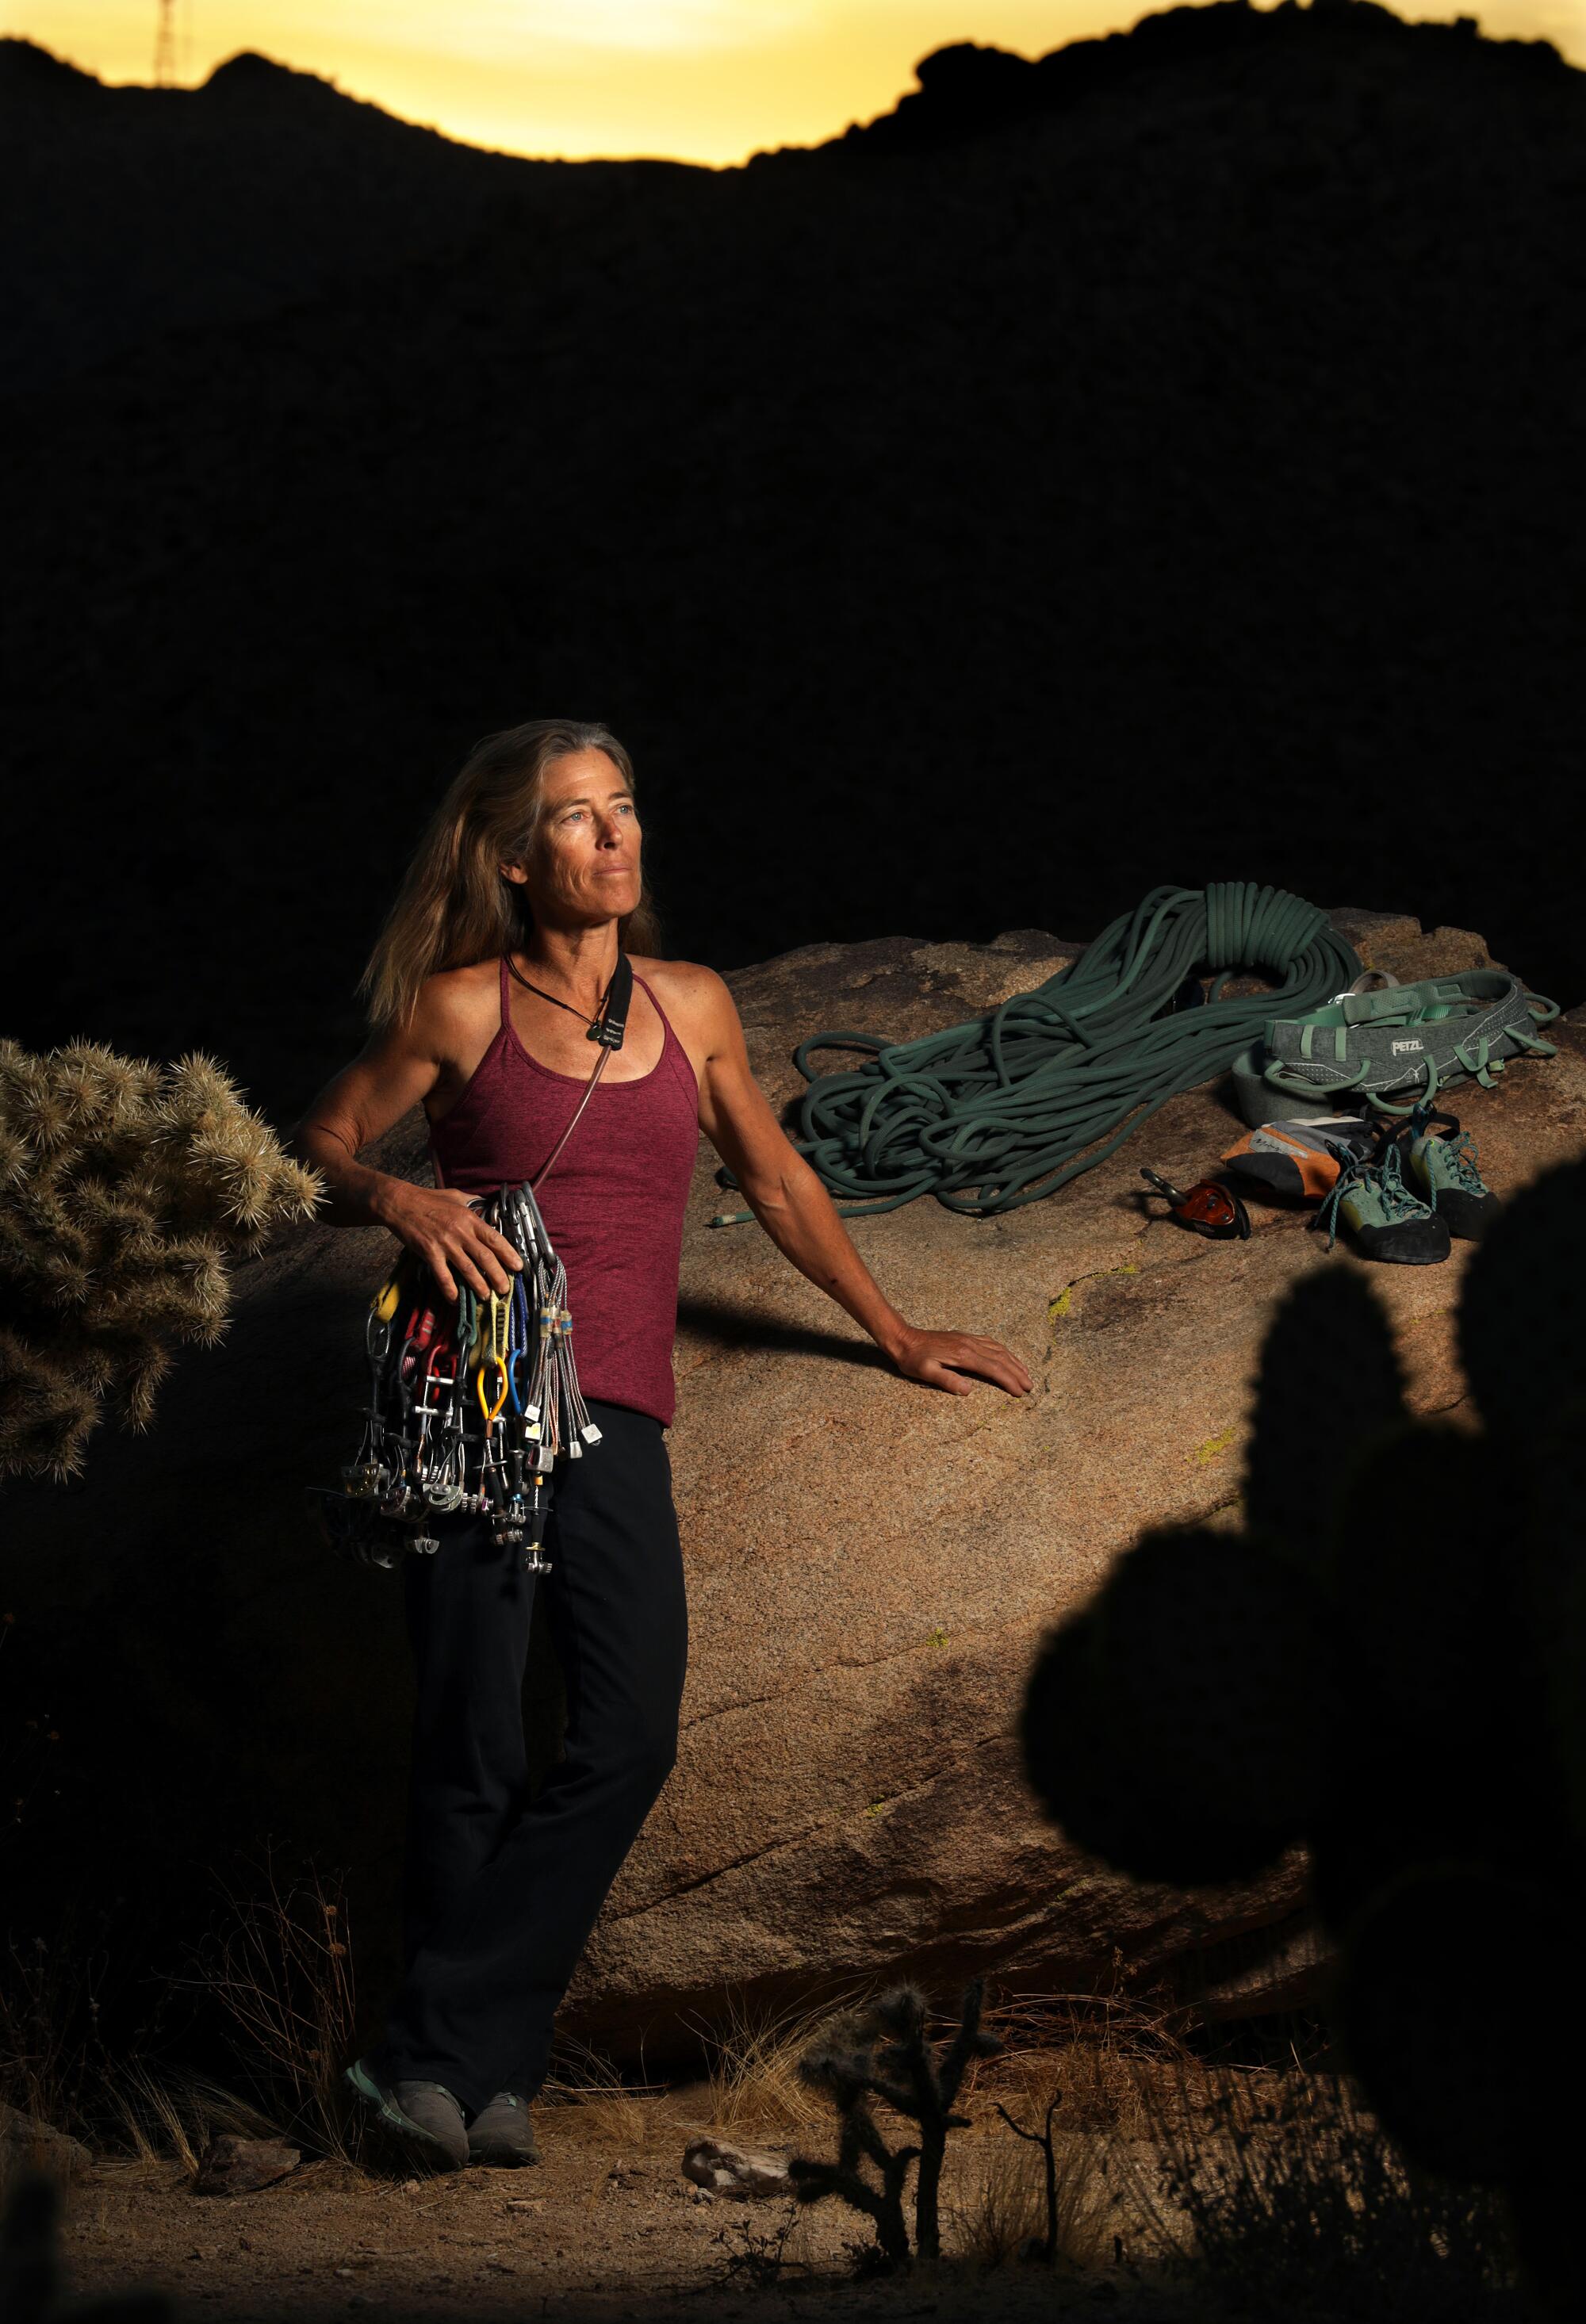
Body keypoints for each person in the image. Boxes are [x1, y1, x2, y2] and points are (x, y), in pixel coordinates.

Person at [289, 718, 1032, 2171]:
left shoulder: (693, 1006)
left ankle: (421, 2051)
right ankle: (477, 2089)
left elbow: (774, 1173)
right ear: (517, 857)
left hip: (615, 1408)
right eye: (578, 817)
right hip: (469, 1402)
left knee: (628, 1735)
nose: (616, 836)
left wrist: (892, 1329)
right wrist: (401, 1204)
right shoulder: (456, 1009)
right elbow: (312, 1144)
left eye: (625, 808)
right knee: (474, 1748)